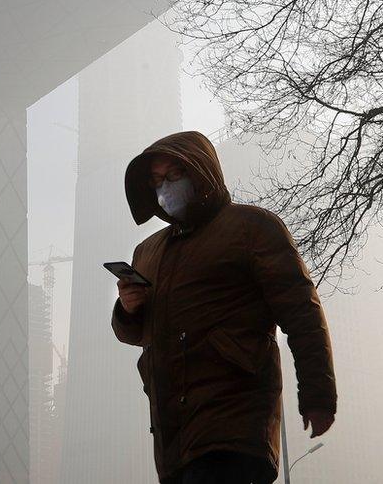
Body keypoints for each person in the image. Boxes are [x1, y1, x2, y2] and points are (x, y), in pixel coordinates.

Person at [111, 131, 337, 484]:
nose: (165, 188)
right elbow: (136, 333)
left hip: (235, 422)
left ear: (201, 172)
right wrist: (127, 308)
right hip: (173, 436)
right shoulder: (148, 251)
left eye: (173, 175)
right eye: (156, 181)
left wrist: (318, 394)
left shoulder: (252, 228)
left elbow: (302, 313)